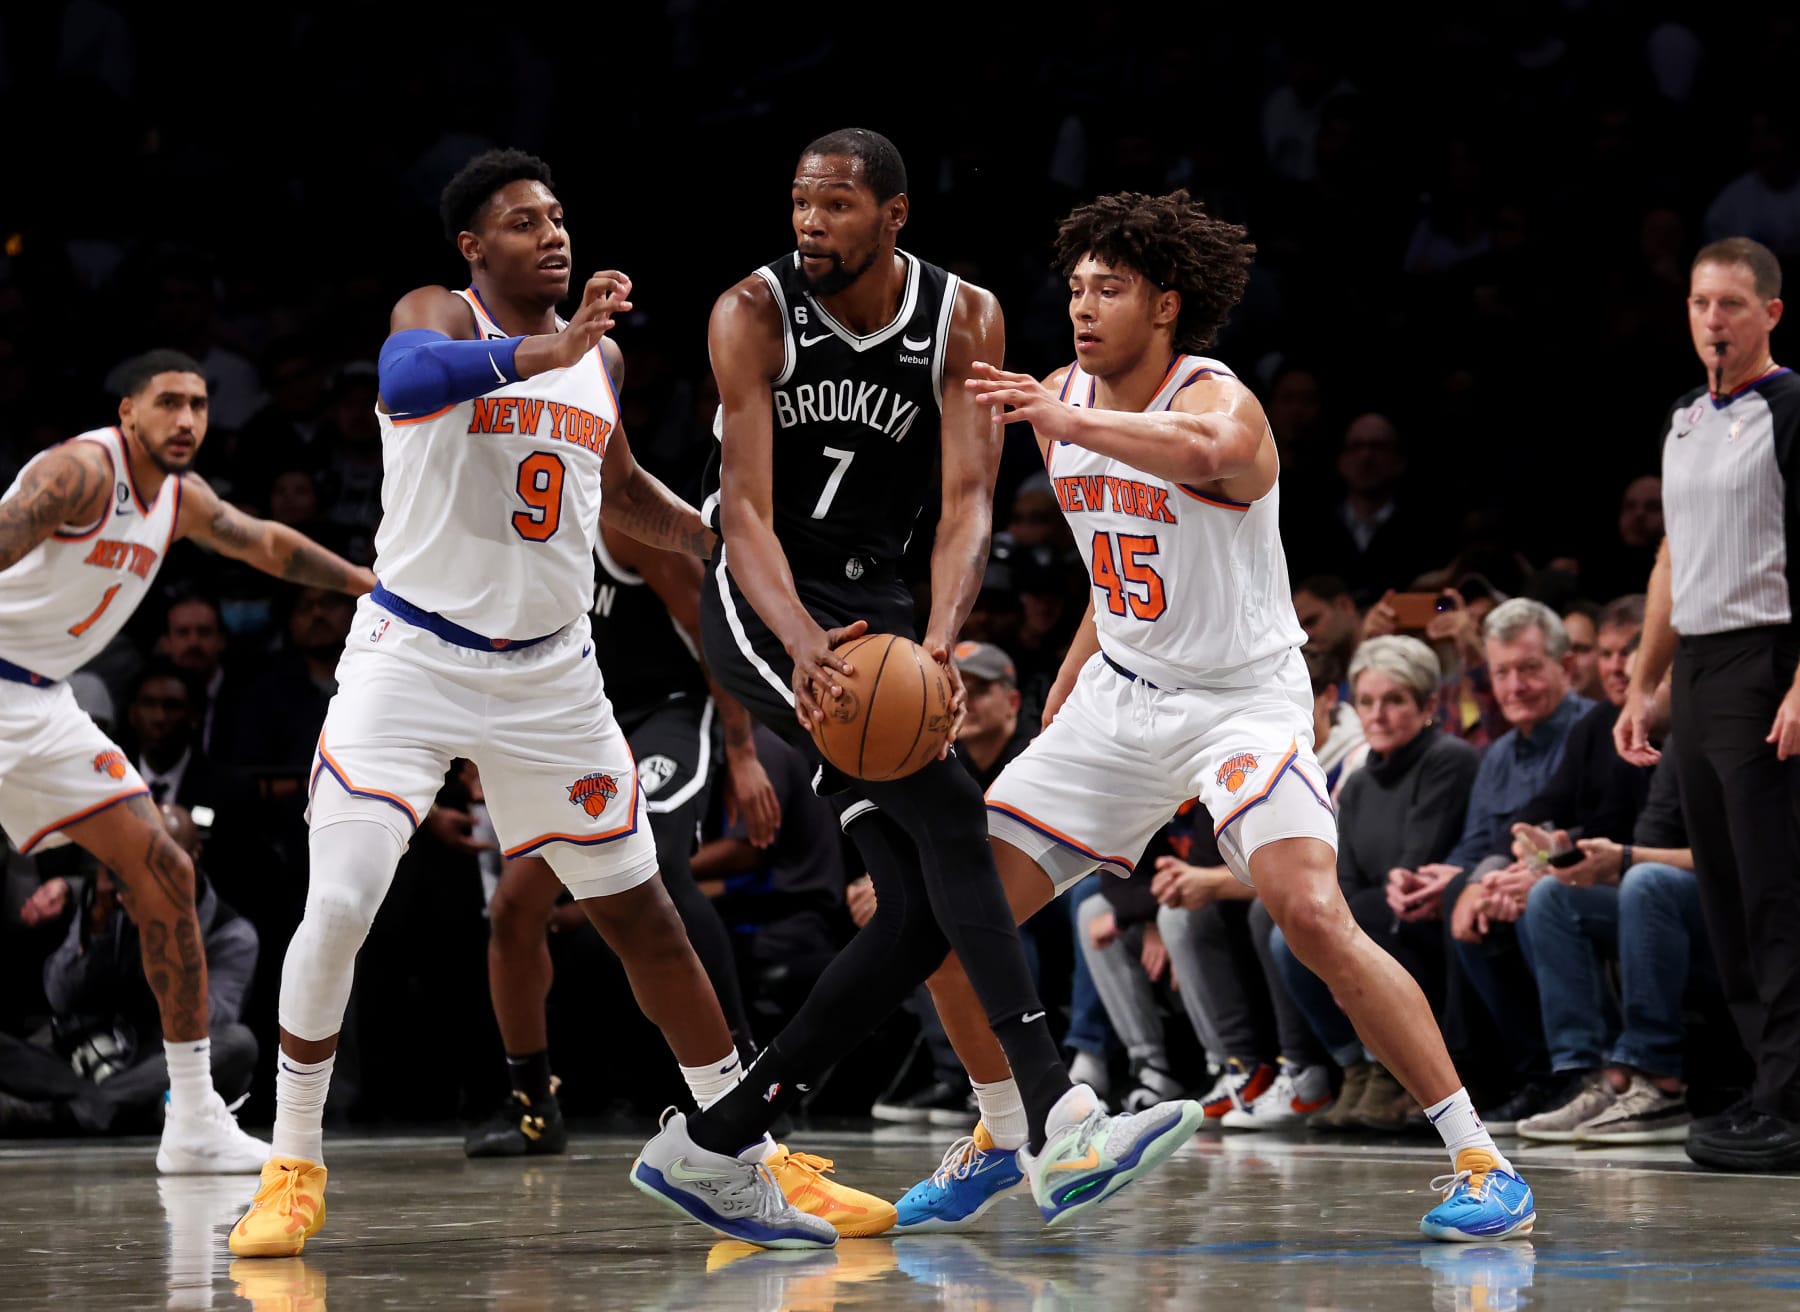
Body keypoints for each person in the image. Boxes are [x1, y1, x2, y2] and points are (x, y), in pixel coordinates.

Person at [229, 149, 841, 1258]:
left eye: (558, 216)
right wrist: (548, 347)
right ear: (474, 247)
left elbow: (616, 493)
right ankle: (292, 1159)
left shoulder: (592, 367)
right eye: (523, 221)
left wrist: (718, 540)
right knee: (345, 901)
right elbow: (409, 381)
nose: (552, 234)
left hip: (552, 674)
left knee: (645, 913)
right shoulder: (438, 314)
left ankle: (743, 1154)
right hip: (413, 659)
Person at [897, 188, 1532, 1241]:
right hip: (1120, 696)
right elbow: (1122, 563)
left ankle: (1480, 1156)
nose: (1085, 307)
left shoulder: (1220, 401)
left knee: (1311, 911)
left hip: (1242, 699)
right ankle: (1002, 1133)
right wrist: (1069, 667)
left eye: (1113, 289)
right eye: (1076, 287)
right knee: (945, 922)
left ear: (1167, 305)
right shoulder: (1055, 394)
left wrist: (1068, 419)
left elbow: (1200, 459)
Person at [637, 129, 1200, 1247]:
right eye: (800, 204)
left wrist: (941, 644)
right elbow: (740, 512)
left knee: (912, 920)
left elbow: (966, 501)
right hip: (764, 601)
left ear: (894, 216)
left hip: (887, 603)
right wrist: (802, 649)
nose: (810, 226)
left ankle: (714, 1140)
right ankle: (1056, 1118)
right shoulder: (750, 312)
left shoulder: (964, 317)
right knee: (951, 815)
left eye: (836, 207)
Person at [0, 348, 372, 1174]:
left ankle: (195, 1116)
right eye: (168, 402)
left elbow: (266, 544)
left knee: (165, 870)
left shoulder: (179, 500)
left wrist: (362, 584)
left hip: (41, 700)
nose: (187, 420)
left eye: (200, 404)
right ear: (127, 412)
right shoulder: (80, 474)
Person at [461, 522, 800, 1175]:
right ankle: (534, 1105)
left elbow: (714, 632)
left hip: (669, 713)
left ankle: (746, 1085)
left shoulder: (619, 527)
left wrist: (741, 751)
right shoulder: (497, 537)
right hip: (577, 725)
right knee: (512, 909)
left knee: (660, 867)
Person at [1617, 235, 1800, 1170]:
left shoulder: (1791, 405)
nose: (1713, 320)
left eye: (1731, 304)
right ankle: (1765, 1090)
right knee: (1724, 896)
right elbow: (1672, 561)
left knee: (1776, 893)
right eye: (1700, 304)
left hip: (1770, 658)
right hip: (1699, 670)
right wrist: (1647, 685)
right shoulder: (1687, 417)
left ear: (1770, 312)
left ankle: (1793, 1099)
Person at [3, 805, 259, 1136]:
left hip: (160, 1066)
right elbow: (59, 996)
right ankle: (94, 1105)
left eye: (167, 859)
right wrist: (98, 924)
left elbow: (213, 1022)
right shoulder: (113, 903)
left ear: (193, 858)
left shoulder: (232, 933)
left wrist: (165, 943)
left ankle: (84, 1108)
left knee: (239, 1042)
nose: (154, 872)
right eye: (147, 860)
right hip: (91, 1053)